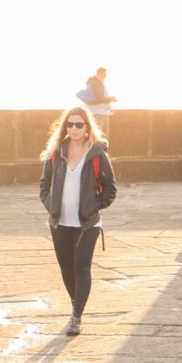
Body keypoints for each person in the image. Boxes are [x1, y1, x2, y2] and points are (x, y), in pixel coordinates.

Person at [39, 104, 117, 336]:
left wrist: (93, 208)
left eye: (78, 124)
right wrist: (50, 203)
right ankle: (76, 303)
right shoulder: (56, 153)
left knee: (81, 266)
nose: (73, 128)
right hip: (59, 221)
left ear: (87, 128)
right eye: (69, 124)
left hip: (87, 223)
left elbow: (110, 189)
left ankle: (76, 317)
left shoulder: (97, 154)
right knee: (66, 267)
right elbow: (44, 184)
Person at [85, 67, 116, 136]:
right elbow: (97, 99)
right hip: (98, 113)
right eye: (104, 74)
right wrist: (110, 99)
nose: (105, 76)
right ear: (99, 74)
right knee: (99, 135)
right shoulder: (95, 83)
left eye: (105, 75)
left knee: (100, 136)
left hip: (100, 112)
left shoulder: (95, 83)